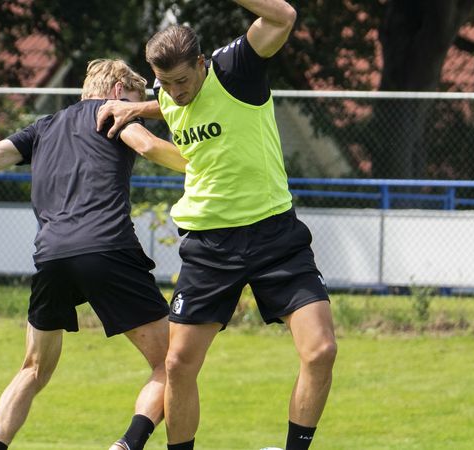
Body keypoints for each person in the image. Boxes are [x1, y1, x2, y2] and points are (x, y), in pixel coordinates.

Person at [0, 59, 188, 450]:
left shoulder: (42, 128)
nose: (134, 110)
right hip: (108, 247)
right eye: (132, 100)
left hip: (52, 255)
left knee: (33, 368)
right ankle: (128, 444)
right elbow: (147, 146)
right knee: (172, 363)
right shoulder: (114, 114)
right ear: (114, 93)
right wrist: (208, 166)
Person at [96, 1, 337, 449]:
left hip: (274, 235)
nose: (176, 91)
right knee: (179, 364)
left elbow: (283, 16)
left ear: (202, 64)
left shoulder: (235, 70)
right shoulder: (169, 93)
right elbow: (170, 102)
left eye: (183, 80)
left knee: (321, 350)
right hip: (209, 245)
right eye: (164, 83)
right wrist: (137, 109)